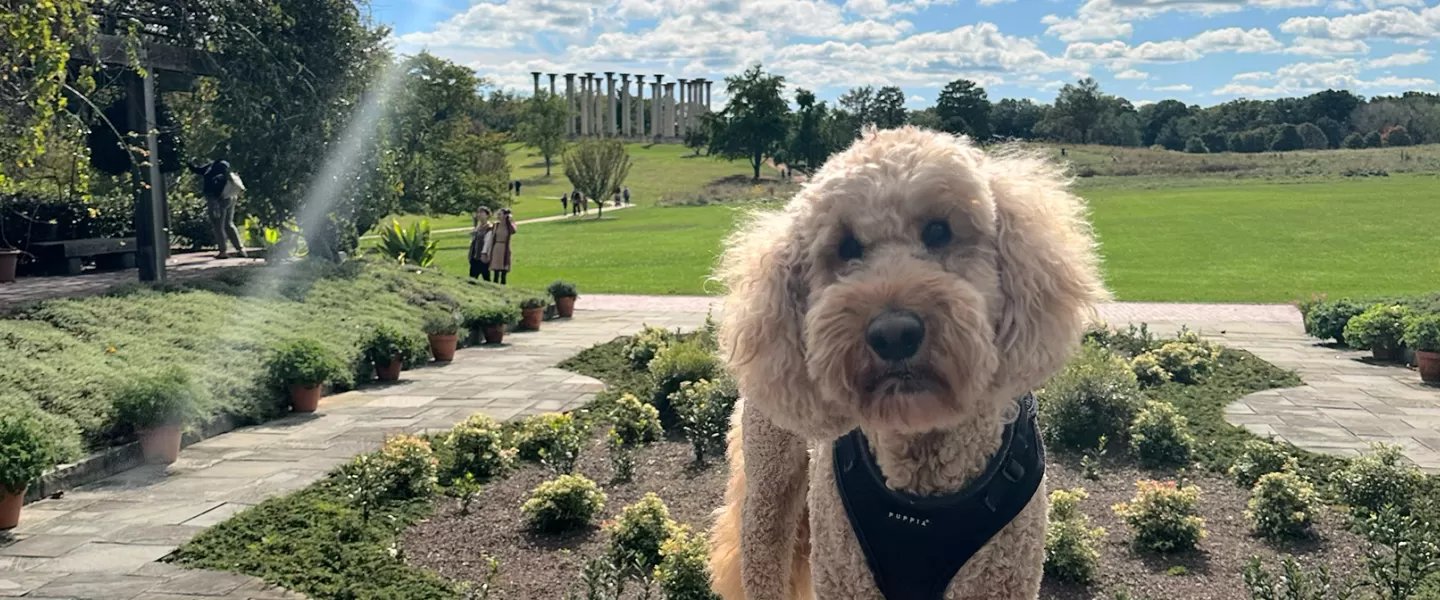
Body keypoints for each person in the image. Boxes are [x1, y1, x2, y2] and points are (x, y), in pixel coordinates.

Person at [188, 157, 247, 259]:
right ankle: (240, 249)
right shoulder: (212, 166)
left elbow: (223, 177)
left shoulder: (221, 165)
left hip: (219, 198)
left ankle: (223, 251)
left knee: (218, 225)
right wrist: (189, 164)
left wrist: (217, 195)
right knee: (228, 224)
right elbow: (199, 170)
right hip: (227, 197)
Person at [486, 208, 517, 285]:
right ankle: (495, 284)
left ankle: (503, 285)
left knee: (504, 270)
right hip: (497, 247)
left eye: (500, 214)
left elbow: (513, 231)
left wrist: (509, 220)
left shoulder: (508, 226)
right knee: (496, 270)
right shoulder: (496, 225)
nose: (498, 216)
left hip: (504, 248)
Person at [468, 206, 494, 281]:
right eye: (478, 212)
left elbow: (488, 242)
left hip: (483, 257)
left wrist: (485, 254)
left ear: (487, 215)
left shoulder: (489, 228)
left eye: (482, 213)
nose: (479, 214)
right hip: (475, 256)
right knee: (472, 278)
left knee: (486, 278)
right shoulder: (478, 228)